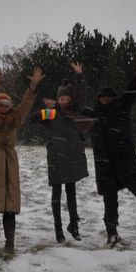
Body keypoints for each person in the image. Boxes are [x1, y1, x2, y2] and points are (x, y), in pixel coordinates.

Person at [82, 54, 136, 245]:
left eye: (108, 97)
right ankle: (112, 234)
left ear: (114, 98)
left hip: (124, 159)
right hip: (104, 164)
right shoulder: (94, 116)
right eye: (102, 97)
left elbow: (132, 91)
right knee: (110, 200)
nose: (105, 99)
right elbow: (77, 101)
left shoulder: (121, 107)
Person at [0, 68, 43, 256]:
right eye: (0, 105)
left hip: (9, 164)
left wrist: (33, 85)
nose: (3, 107)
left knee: (9, 208)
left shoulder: (16, 119)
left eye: (6, 105)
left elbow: (26, 104)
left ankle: (10, 245)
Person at [37, 61, 91, 243]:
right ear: (58, 99)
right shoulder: (51, 114)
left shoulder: (75, 111)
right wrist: (44, 112)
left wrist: (79, 76)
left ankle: (74, 225)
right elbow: (31, 119)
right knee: (56, 196)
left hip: (71, 160)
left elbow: (82, 95)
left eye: (67, 99)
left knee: (72, 194)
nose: (64, 102)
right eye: (61, 99)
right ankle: (58, 229)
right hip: (55, 160)